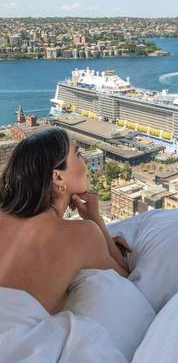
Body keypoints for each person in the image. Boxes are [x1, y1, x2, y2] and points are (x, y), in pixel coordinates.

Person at [0, 128, 132, 315]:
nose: (85, 161)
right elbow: (125, 277)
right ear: (58, 177)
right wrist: (97, 221)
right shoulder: (82, 234)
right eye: (78, 155)